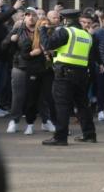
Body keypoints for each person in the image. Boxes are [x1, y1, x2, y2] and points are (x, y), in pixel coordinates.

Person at [41, 8, 99, 146]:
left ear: (65, 20)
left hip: (64, 74)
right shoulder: (87, 36)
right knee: (82, 105)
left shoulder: (66, 31)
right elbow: (90, 58)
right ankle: (89, 134)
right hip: (82, 75)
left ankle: (60, 137)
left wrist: (42, 31)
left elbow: (48, 44)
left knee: (62, 106)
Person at [5, 10, 52, 136]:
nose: (31, 18)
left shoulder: (42, 30)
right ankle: (14, 121)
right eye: (28, 15)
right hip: (21, 67)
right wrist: (11, 40)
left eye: (34, 15)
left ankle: (46, 121)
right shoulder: (18, 30)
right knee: (18, 96)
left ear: (38, 17)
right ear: (24, 18)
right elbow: (3, 46)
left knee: (42, 97)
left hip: (39, 68)